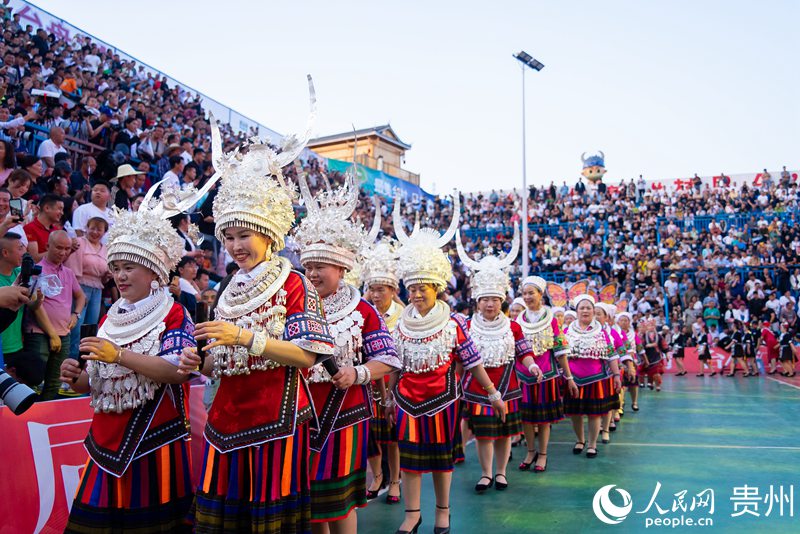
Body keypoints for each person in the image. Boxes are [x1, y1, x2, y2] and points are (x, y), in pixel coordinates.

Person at [179, 99, 339, 534]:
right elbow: (220, 359)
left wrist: (245, 338)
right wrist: (201, 361)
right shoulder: (230, 288)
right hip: (226, 418)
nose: (234, 246)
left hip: (276, 417)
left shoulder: (295, 284)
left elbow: (308, 358)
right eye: (227, 236)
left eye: (243, 235)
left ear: (268, 234)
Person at [58, 180, 200, 531]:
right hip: (105, 443)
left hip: (154, 442)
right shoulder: (111, 316)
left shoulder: (174, 313)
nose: (119, 276)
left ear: (154, 271)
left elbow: (174, 371)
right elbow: (93, 384)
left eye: (129, 267)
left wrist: (117, 354)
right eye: (116, 267)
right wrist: (75, 376)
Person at [387, 194, 506, 534]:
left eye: (422, 288)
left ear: (437, 288)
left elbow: (472, 363)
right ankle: (412, 514)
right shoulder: (400, 325)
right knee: (409, 462)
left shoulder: (453, 324)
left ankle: (442, 511)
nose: (417, 294)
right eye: (412, 289)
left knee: (441, 463)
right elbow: (395, 366)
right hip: (407, 402)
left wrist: (493, 393)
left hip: (442, 401)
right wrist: (387, 399)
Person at [293, 172, 400, 533]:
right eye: (307, 267)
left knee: (339, 502)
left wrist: (358, 373)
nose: (312, 274)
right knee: (310, 501)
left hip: (345, 414)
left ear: (341, 268)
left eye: (319, 267)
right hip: (300, 414)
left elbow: (388, 358)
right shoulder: (293, 305)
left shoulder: (362, 310)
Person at [456, 226, 543, 490]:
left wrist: (533, 365)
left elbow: (524, 353)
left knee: (505, 433)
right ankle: (485, 472)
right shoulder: (467, 326)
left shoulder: (513, 326)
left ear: (501, 301)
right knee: (483, 435)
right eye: (485, 300)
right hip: (477, 388)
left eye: (494, 299)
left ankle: (502, 471)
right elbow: (460, 359)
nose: (490, 304)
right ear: (477, 301)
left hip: (508, 386)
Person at [360, 231, 404, 505]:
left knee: (392, 438)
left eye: (382, 289)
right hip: (367, 384)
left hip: (393, 387)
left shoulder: (403, 317)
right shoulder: (362, 312)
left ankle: (396, 481)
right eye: (372, 289)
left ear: (392, 290)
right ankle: (377, 476)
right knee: (370, 436)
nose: (376, 294)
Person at [515, 277, 573, 473]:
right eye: (524, 293)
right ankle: (530, 451)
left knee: (543, 419)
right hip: (522, 375)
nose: (528, 297)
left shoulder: (551, 319)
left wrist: (569, 377)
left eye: (531, 293)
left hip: (546, 375)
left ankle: (543, 454)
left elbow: (560, 350)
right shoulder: (518, 320)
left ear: (541, 294)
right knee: (526, 418)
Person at [24, 230, 85, 400]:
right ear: (47, 246)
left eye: (67, 249)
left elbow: (81, 297)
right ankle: (28, 419)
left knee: (55, 381)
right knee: (34, 380)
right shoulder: (37, 270)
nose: (63, 252)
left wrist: (76, 314)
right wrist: (52, 334)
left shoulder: (68, 272)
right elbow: (35, 305)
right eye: (59, 248)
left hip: (63, 333)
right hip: (39, 333)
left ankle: (47, 416)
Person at [562, 294, 622, 459]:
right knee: (575, 413)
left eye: (589, 308)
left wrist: (616, 375)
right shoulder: (566, 331)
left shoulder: (602, 333)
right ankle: (580, 440)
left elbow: (612, 355)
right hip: (573, 379)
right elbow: (560, 355)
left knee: (594, 414)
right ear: (576, 311)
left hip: (596, 379)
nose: (585, 310)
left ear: (594, 311)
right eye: (582, 308)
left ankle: (592, 444)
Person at [64, 216, 109, 359]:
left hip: (97, 289)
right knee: (76, 327)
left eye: (99, 229)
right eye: (92, 228)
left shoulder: (106, 249)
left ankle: (83, 362)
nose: (95, 232)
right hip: (79, 286)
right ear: (86, 228)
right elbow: (70, 267)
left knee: (90, 327)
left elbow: (105, 272)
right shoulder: (78, 243)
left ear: (104, 232)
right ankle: (69, 360)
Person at [23, 194, 63, 262]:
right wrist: (60, 251)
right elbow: (34, 258)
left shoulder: (57, 231)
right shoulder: (29, 228)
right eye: (59, 209)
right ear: (47, 208)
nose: (62, 213)